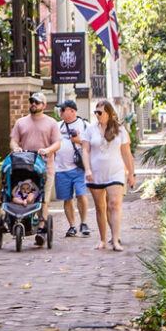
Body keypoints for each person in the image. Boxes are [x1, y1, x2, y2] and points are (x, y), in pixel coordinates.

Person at [86, 100, 137, 251]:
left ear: (108, 113)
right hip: (96, 173)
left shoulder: (120, 131)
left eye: (100, 112)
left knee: (114, 204)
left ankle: (115, 240)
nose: (97, 115)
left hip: (116, 171)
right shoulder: (90, 129)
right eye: (95, 112)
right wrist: (87, 169)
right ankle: (102, 239)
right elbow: (85, 150)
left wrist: (131, 173)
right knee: (100, 207)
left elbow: (127, 153)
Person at [10, 92, 63, 219]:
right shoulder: (21, 122)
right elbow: (13, 140)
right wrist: (16, 148)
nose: (34, 104)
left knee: (43, 199)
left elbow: (57, 143)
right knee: (20, 192)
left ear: (44, 105)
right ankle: (20, 220)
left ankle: (42, 226)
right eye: (32, 101)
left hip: (45, 167)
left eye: (37, 102)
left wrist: (47, 150)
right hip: (25, 166)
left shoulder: (51, 123)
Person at [54, 98, 94, 238]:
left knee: (81, 195)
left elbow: (92, 145)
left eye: (63, 110)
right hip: (61, 168)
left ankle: (84, 222)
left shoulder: (85, 125)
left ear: (72, 111)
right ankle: (72, 225)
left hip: (79, 168)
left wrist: (77, 140)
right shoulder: (57, 126)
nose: (60, 112)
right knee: (67, 199)